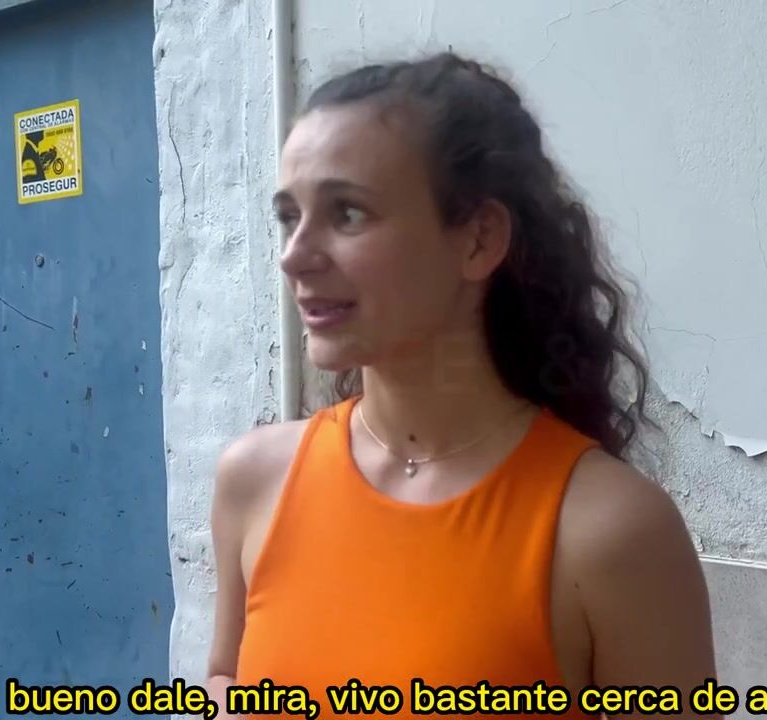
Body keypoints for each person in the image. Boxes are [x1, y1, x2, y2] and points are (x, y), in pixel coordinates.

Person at [205, 52, 718, 719]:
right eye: (288, 216)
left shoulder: (610, 531)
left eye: (348, 213)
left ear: (478, 239)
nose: (294, 255)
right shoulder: (255, 480)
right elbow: (225, 678)